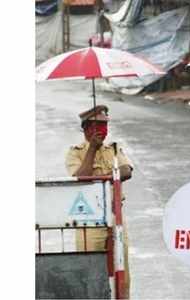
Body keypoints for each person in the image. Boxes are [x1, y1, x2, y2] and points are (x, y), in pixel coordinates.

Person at [65, 105, 133, 298]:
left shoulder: (113, 149)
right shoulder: (75, 152)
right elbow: (81, 177)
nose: (103, 130)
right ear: (87, 129)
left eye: (105, 125)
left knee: (122, 270)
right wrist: (93, 150)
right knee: (90, 271)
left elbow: (126, 171)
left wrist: (103, 177)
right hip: (89, 219)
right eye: (98, 126)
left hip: (115, 215)